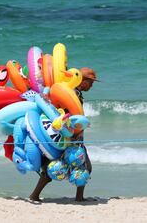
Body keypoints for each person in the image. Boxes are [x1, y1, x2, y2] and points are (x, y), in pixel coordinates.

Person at [29, 67, 98, 202]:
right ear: (83, 81)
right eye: (91, 82)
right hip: (69, 137)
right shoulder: (73, 94)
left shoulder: (71, 91)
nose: (92, 85)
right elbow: (66, 114)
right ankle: (78, 197)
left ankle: (36, 195)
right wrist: (72, 134)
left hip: (67, 137)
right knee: (85, 167)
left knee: (53, 167)